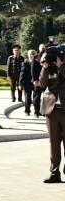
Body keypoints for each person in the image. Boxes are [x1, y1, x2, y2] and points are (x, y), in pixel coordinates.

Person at [40, 48, 65, 183]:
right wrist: (45, 67)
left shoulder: (62, 67)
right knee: (54, 144)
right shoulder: (48, 68)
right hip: (52, 111)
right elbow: (43, 84)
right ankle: (54, 173)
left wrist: (60, 66)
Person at [21, 49, 42, 116]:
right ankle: (27, 111)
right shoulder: (25, 63)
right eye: (31, 54)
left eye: (33, 54)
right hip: (27, 83)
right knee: (28, 98)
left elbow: (41, 74)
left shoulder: (38, 63)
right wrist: (20, 83)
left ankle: (37, 112)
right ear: (28, 55)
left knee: (37, 98)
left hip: (36, 83)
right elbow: (22, 74)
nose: (32, 55)